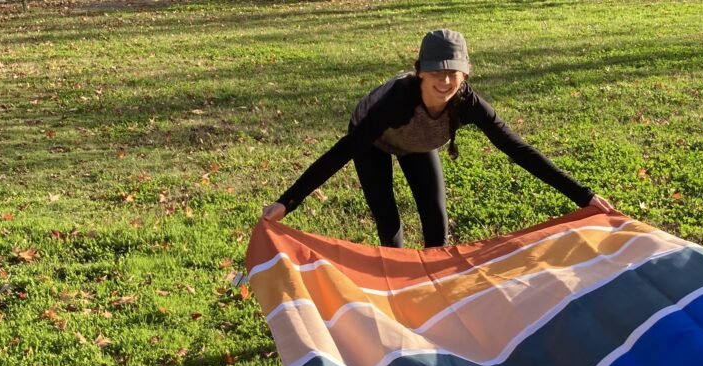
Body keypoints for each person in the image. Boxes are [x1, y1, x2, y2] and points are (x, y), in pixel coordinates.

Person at [261, 29, 615, 248]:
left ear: (465, 73)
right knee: (389, 220)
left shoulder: (468, 104)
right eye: (436, 72)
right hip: (372, 139)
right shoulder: (394, 103)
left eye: (453, 72)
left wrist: (582, 195)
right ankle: (395, 279)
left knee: (436, 222)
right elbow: (342, 151)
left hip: (418, 143)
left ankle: (434, 290)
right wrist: (286, 202)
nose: (445, 81)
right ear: (420, 71)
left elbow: (517, 148)